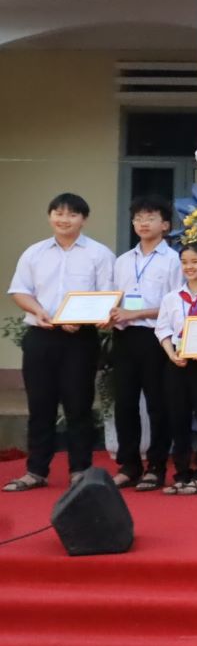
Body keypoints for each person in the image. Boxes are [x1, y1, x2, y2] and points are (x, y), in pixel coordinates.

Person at [5, 193, 115, 493]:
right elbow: (19, 291)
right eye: (58, 213)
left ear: (84, 219)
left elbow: (106, 297)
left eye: (71, 214)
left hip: (80, 338)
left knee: (78, 405)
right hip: (41, 335)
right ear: (50, 216)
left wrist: (84, 320)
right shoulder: (34, 253)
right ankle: (35, 471)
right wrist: (37, 310)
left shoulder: (99, 254)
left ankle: (80, 469)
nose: (63, 219)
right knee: (40, 405)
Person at [109, 197, 177, 491]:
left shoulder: (174, 260)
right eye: (138, 217)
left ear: (165, 225)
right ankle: (129, 465)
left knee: (157, 404)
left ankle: (157, 466)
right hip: (124, 336)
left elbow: (176, 305)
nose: (143, 223)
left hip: (156, 337)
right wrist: (109, 314)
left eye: (150, 217)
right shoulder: (123, 261)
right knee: (124, 403)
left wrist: (136, 313)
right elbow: (113, 299)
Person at [153, 242, 197, 495]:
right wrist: (172, 355)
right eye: (184, 262)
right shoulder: (171, 298)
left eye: (195, 261)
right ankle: (181, 474)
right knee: (177, 421)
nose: (189, 267)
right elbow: (162, 329)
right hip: (177, 364)